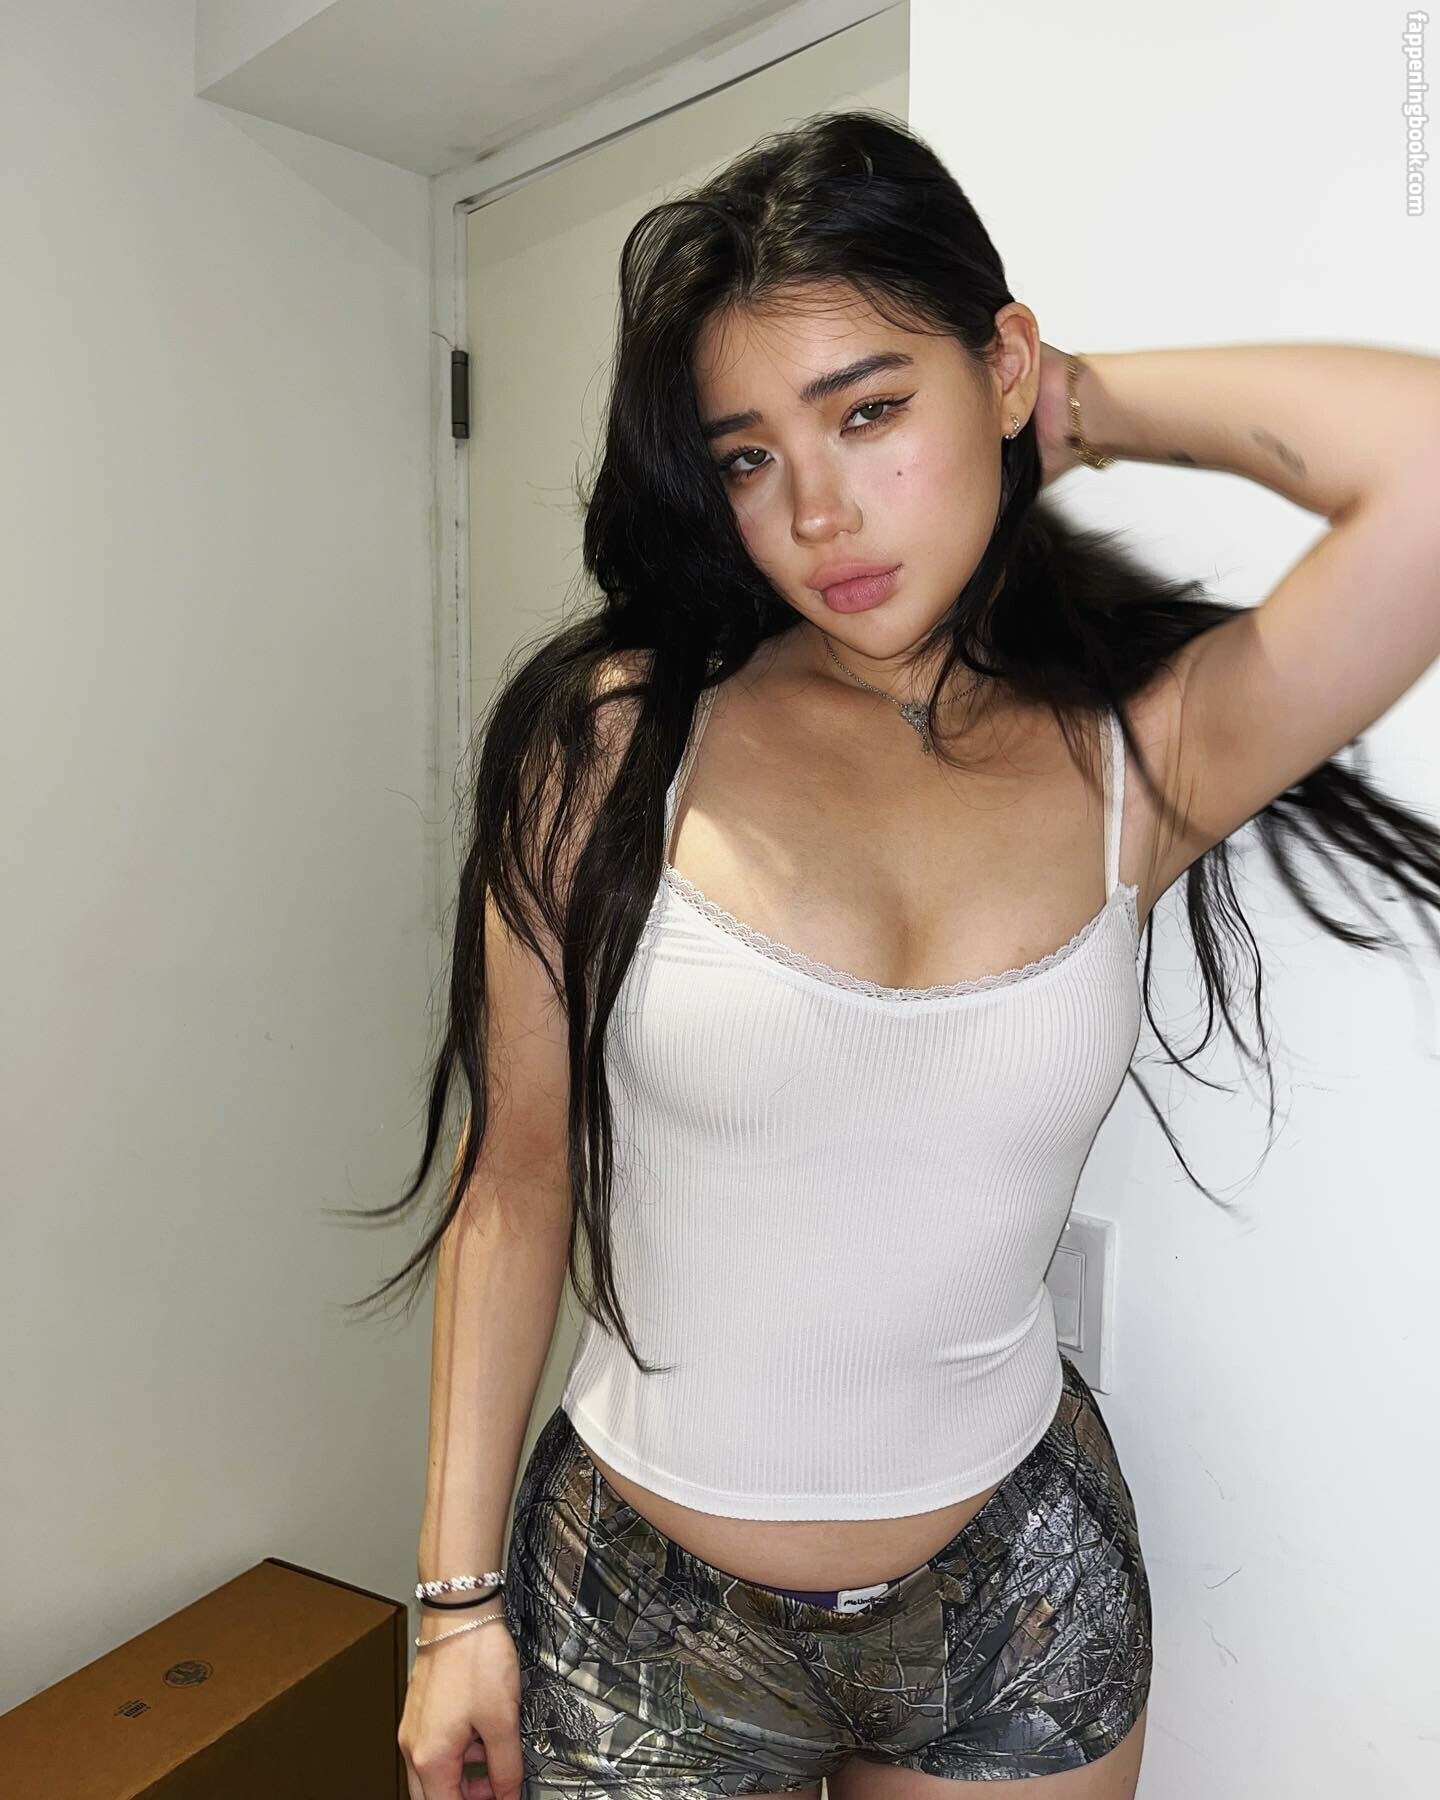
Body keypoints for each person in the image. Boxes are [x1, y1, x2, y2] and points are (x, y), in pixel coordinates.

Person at [369, 113, 1440, 1800]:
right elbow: (513, 1182)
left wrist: (1080, 401)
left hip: (1017, 1601)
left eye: (871, 411)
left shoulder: (1140, 761)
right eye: (748, 457)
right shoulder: (612, 744)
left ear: (996, 369)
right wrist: (454, 1607)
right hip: (643, 1622)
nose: (817, 510)